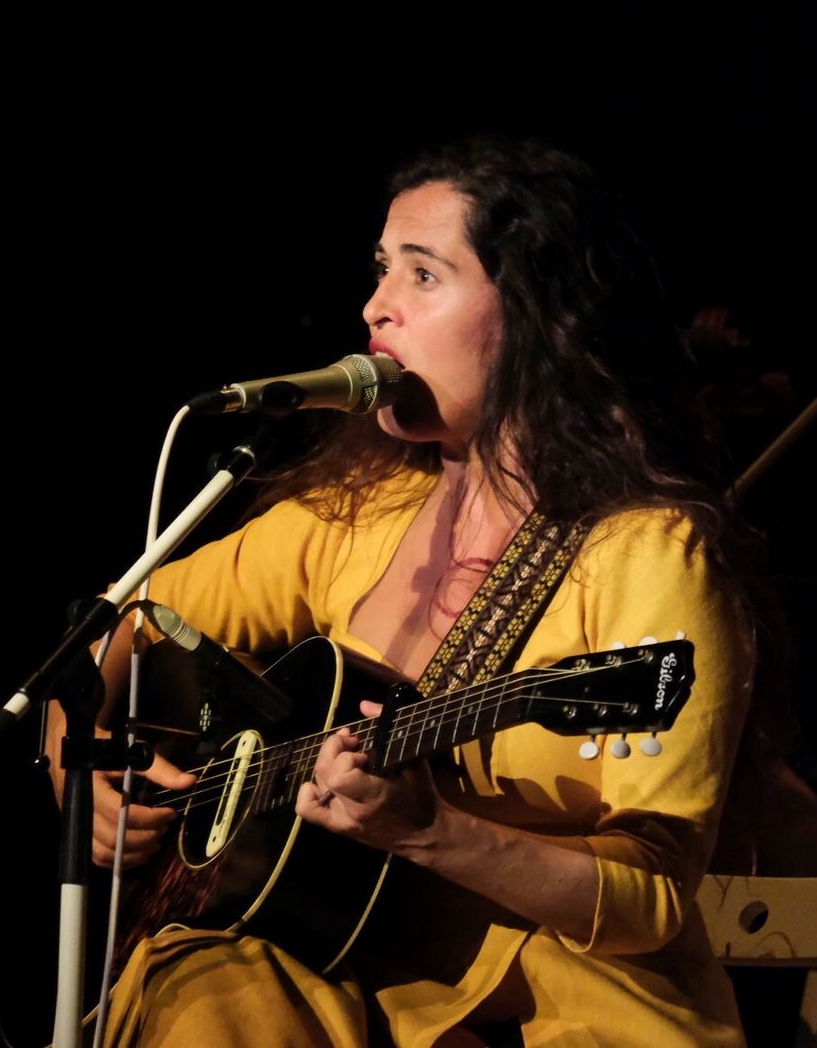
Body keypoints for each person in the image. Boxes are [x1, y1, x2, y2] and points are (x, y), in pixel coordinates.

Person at [45, 135, 760, 1047]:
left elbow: (655, 894)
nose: (375, 307)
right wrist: (85, 779)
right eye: (383, 271)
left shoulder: (651, 554)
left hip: (559, 1017)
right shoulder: (360, 512)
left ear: (543, 318)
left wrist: (434, 831)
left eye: (423, 276)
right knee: (208, 984)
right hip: (337, 987)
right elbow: (117, 624)